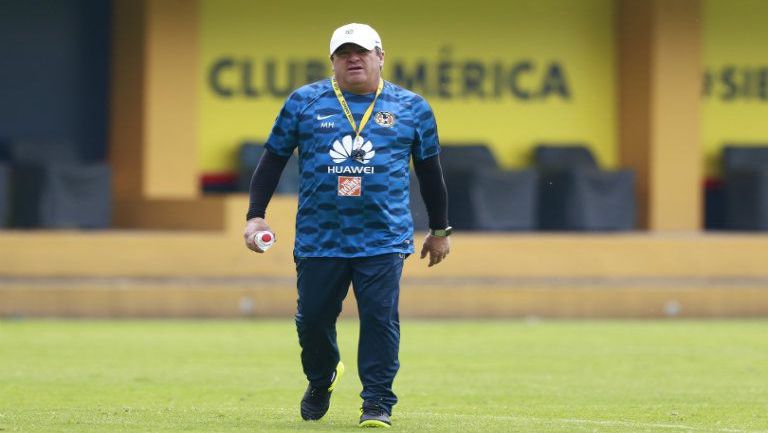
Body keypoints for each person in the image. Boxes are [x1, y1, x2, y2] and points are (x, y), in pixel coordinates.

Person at [243, 22, 451, 428]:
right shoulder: (304, 102)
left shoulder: (412, 108)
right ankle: (322, 378)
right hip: (321, 236)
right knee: (313, 320)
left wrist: (440, 230)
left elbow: (430, 172)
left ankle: (376, 402)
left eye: (362, 52)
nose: (353, 59)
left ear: (380, 57)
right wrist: (255, 216)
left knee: (380, 319)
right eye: (344, 53)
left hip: (383, 236)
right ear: (333, 62)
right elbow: (272, 160)